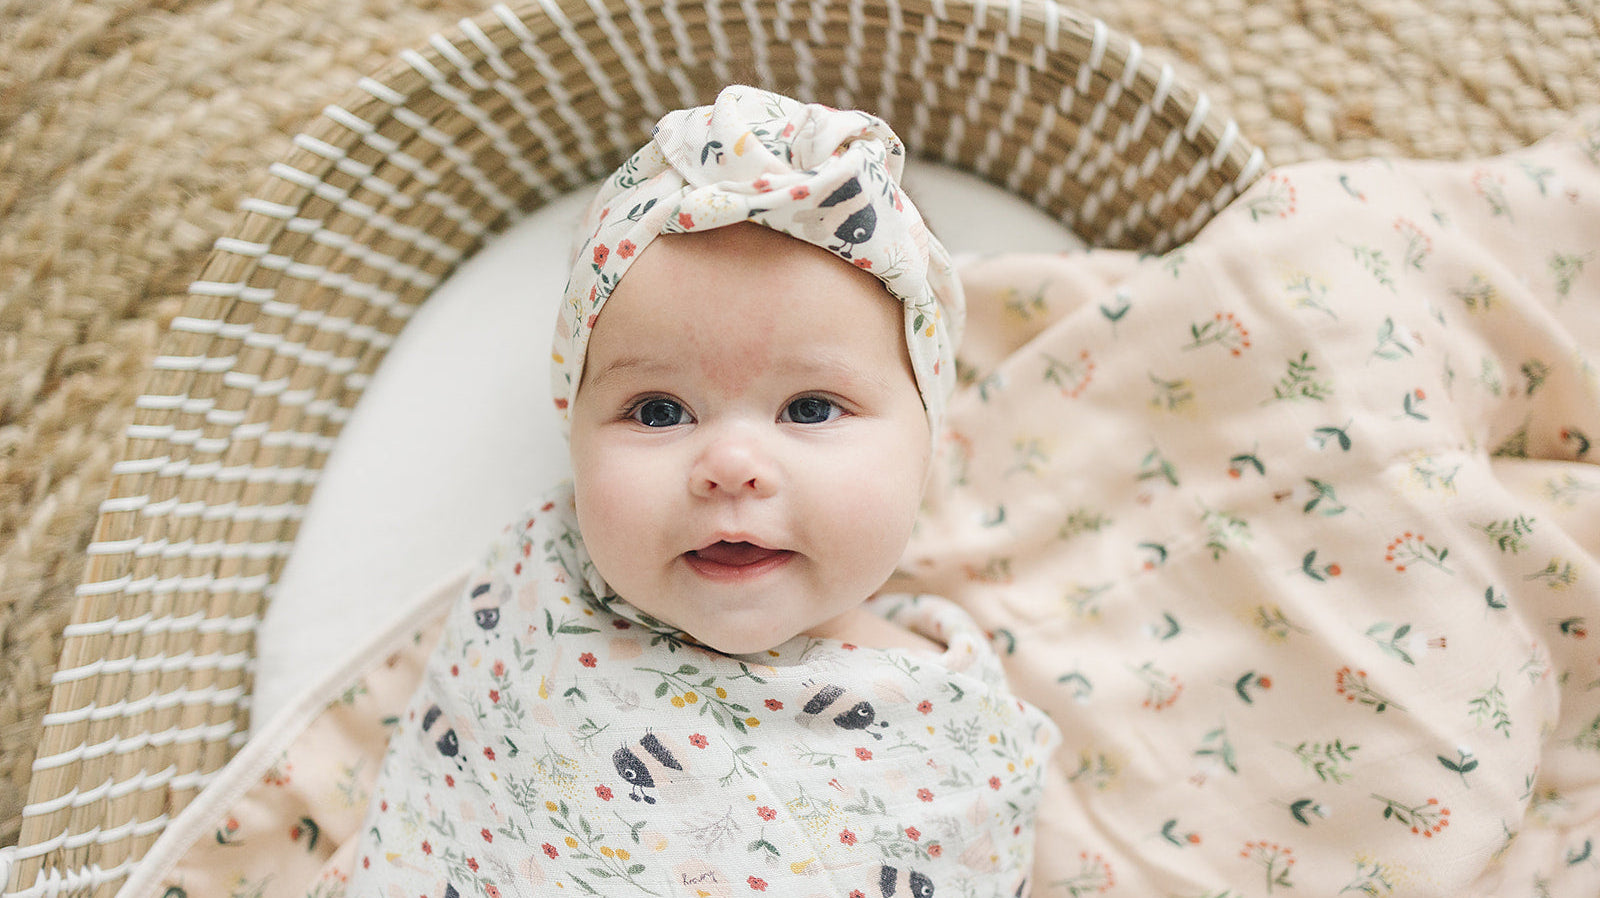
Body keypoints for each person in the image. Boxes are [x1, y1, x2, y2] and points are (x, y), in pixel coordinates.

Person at [345, 85, 1059, 898]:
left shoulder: (948, 726)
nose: (730, 465)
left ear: (926, 441)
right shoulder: (536, 597)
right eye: (658, 411)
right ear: (574, 435)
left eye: (811, 408)